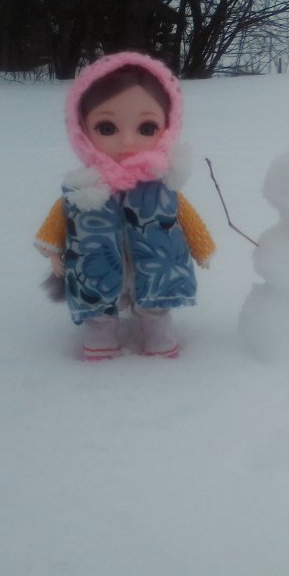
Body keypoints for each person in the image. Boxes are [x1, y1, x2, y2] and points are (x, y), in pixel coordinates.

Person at [34, 52, 215, 360]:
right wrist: (52, 250)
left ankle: (158, 337)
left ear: (167, 127)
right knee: (100, 305)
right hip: (98, 264)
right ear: (81, 129)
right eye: (107, 128)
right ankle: (100, 337)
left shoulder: (162, 185)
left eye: (146, 128)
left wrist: (202, 247)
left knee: (155, 304)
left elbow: (184, 215)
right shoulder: (83, 188)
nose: (128, 141)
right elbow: (61, 217)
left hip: (156, 264)